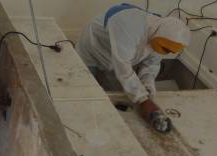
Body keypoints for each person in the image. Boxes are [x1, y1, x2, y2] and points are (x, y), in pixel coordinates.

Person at [77, 3, 191, 132]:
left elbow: (151, 64)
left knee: (117, 96)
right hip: (94, 47)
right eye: (165, 48)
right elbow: (123, 65)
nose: (166, 52)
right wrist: (143, 100)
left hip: (116, 59)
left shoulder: (161, 35)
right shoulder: (130, 25)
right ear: (159, 34)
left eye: (169, 51)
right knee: (83, 88)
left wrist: (147, 86)